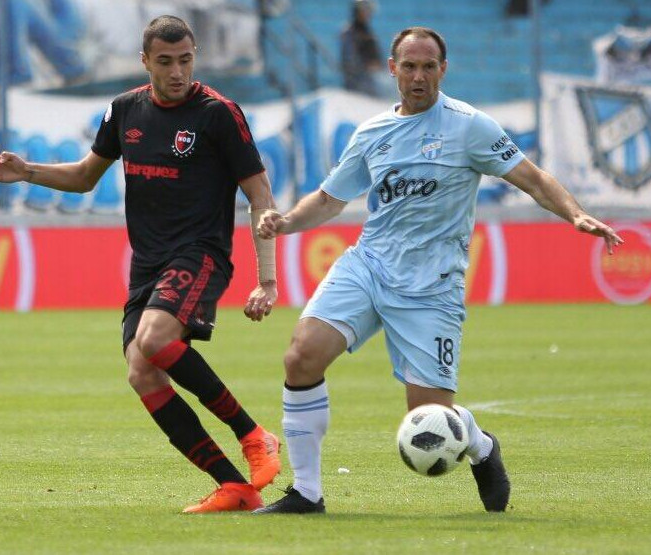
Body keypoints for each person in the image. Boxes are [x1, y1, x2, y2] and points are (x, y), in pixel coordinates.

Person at [252, 26, 623, 514]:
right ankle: (306, 493)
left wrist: (574, 213)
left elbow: (531, 177)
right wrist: (286, 222)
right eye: (409, 66)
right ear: (392, 69)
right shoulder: (372, 134)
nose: (419, 76)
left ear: (443, 70)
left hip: (431, 287)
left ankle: (481, 446)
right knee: (301, 356)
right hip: (368, 265)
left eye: (429, 67)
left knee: (428, 417)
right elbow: (328, 200)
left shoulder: (470, 126)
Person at [0, 15, 282, 514]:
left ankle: (253, 435)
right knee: (142, 370)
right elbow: (83, 177)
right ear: (146, 62)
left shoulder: (219, 114)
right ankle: (235, 487)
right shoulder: (124, 110)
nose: (177, 71)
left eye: (185, 60)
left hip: (200, 251)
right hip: (149, 263)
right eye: (165, 62)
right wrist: (26, 171)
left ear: (194, 56)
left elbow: (259, 193)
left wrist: (267, 278)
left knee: (155, 340)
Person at [339, 0, 384, 97]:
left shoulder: (367, 31)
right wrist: (367, 66)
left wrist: (378, 65)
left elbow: (376, 55)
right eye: (365, 10)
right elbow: (349, 61)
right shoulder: (349, 32)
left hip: (371, 81)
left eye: (369, 11)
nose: (368, 14)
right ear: (358, 11)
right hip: (358, 84)